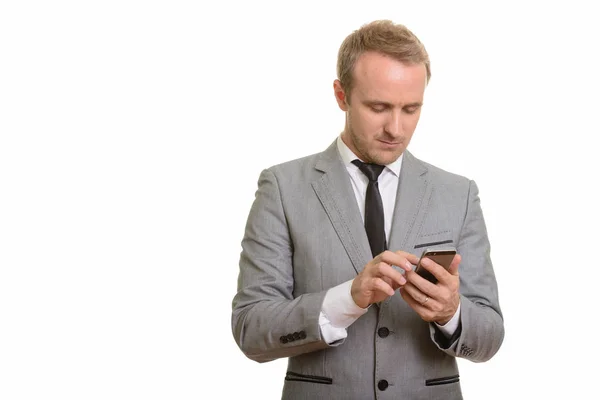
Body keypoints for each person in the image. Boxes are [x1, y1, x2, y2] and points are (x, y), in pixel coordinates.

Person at [231, 19, 504, 400]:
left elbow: (490, 335)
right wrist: (347, 299)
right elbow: (250, 328)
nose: (396, 128)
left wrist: (451, 313)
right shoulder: (282, 187)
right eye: (379, 107)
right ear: (341, 95)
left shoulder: (458, 193)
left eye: (411, 108)